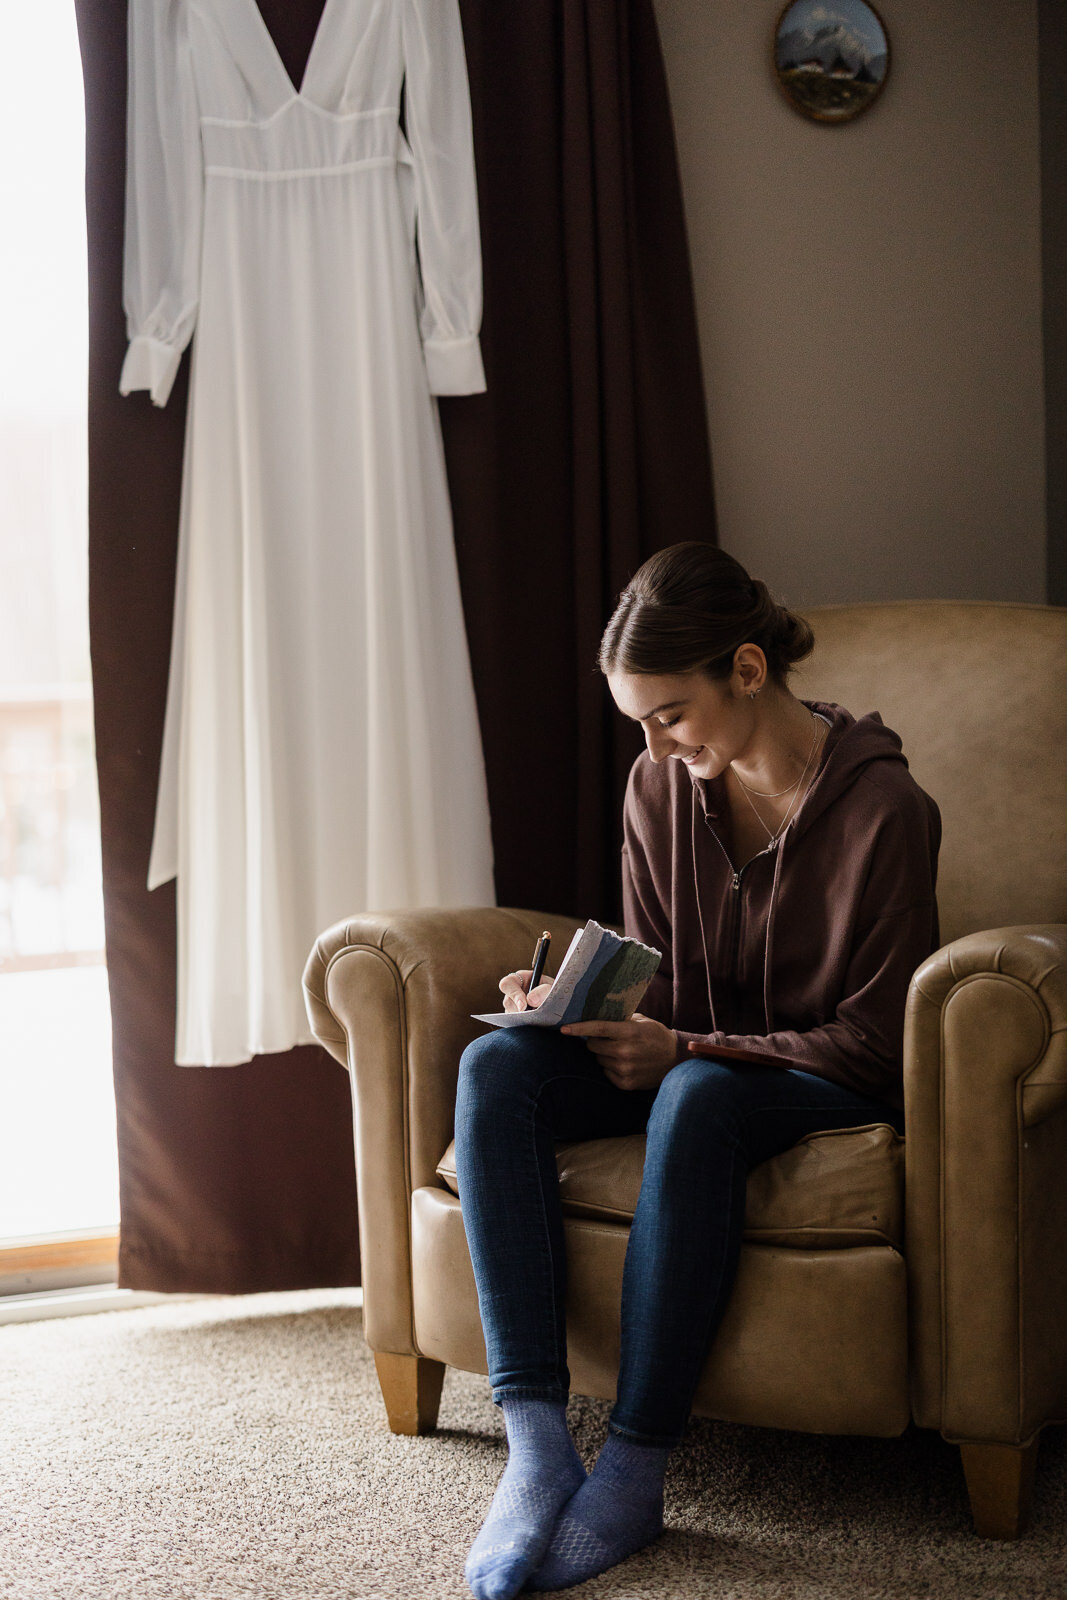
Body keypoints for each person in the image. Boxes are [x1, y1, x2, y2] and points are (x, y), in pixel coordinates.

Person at [454, 542, 941, 1599]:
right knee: (496, 1066)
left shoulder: (884, 812)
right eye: (637, 720)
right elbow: (662, 984)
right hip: (696, 1059)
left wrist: (683, 1049)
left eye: (668, 713)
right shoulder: (656, 785)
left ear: (748, 671)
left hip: (819, 1076)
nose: (653, 742)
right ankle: (538, 1451)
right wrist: (571, 1005)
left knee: (700, 1090)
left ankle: (632, 1466)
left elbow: (873, 1040)